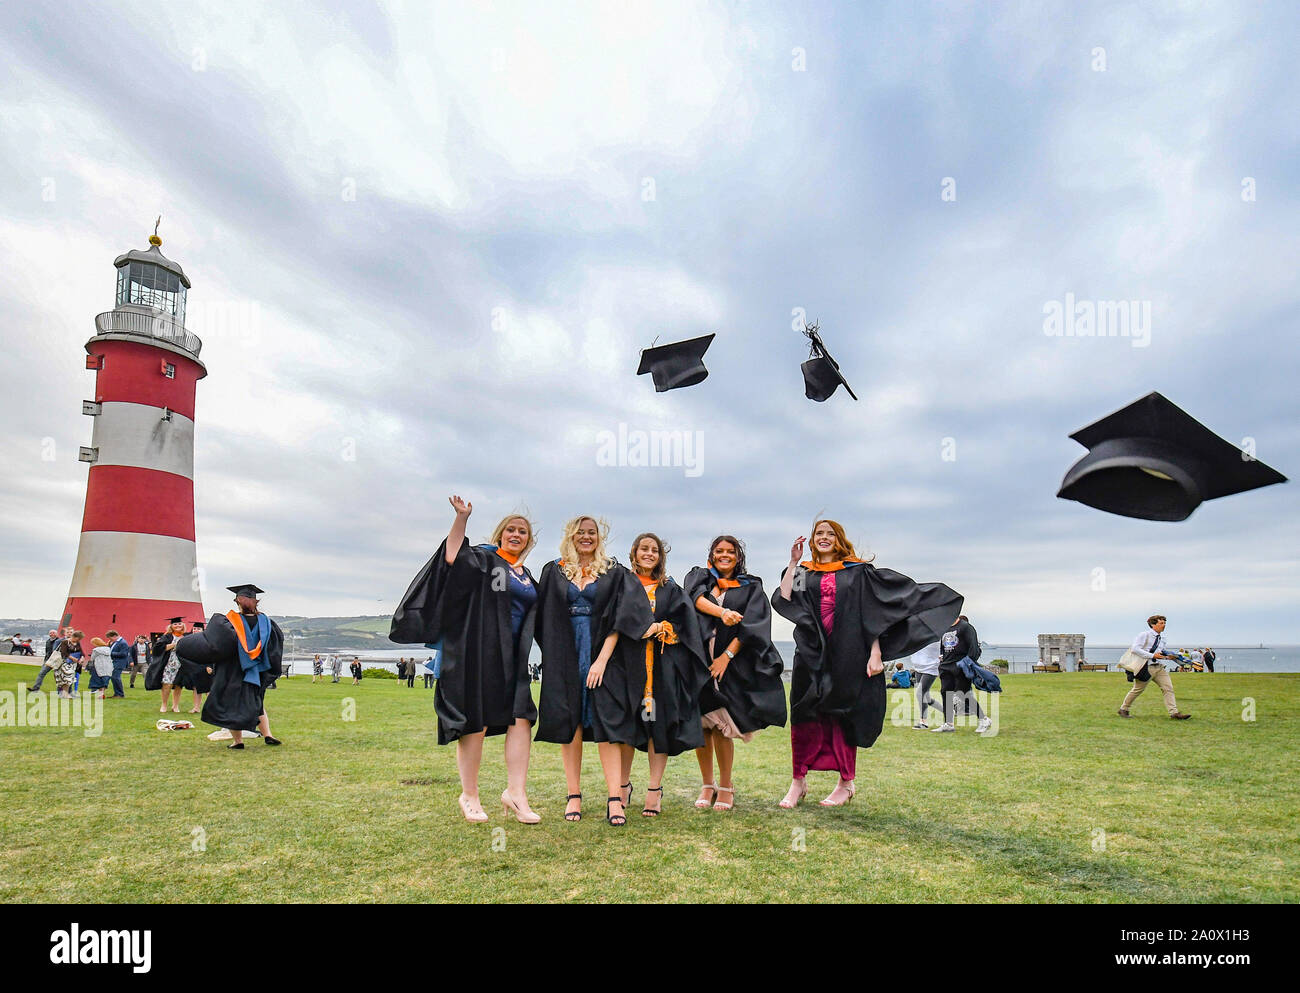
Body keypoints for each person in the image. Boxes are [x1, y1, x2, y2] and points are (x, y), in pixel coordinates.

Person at [774, 520, 961, 807]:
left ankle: (846, 783)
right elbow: (785, 597)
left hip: (849, 652)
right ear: (812, 540)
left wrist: (875, 652)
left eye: (830, 534)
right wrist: (793, 561)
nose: (824, 538)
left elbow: (872, 613)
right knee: (803, 713)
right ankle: (798, 781)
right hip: (811, 653)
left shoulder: (857, 572)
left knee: (844, 713)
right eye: (819, 534)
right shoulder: (804, 571)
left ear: (839, 539)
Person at [389, 496, 543, 823]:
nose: (516, 535)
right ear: (501, 534)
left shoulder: (527, 575)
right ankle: (469, 795)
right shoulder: (484, 560)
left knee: (521, 719)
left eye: (523, 532)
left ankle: (516, 793)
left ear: (529, 541)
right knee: (476, 720)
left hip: (514, 657)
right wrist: (462, 519)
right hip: (481, 651)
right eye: (511, 530)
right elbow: (452, 556)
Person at [534, 514, 651, 826]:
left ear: (599, 537)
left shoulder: (613, 572)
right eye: (580, 532)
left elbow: (623, 616)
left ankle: (615, 798)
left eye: (592, 533)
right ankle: (574, 794)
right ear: (570, 535)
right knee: (569, 723)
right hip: (564, 655)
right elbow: (541, 616)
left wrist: (601, 660)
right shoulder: (553, 570)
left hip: (604, 657)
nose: (586, 537)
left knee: (607, 724)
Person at [589, 533, 708, 819]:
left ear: (660, 557)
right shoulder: (623, 583)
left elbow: (687, 623)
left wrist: (666, 628)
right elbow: (614, 621)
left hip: (663, 668)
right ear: (634, 552)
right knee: (628, 724)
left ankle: (654, 790)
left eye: (654, 550)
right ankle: (622, 785)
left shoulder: (670, 589)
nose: (649, 553)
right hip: (627, 666)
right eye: (644, 548)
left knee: (658, 725)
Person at [684, 535, 787, 812]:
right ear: (712, 553)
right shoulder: (700, 578)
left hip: (730, 662)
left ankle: (726, 786)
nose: (724, 555)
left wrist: (725, 658)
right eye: (719, 551)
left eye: (730, 551)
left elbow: (752, 625)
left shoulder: (751, 586)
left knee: (721, 727)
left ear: (738, 556)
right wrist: (722, 612)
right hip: (698, 660)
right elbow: (694, 600)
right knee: (701, 726)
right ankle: (707, 784)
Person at [176, 584, 284, 747]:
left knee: (231, 705)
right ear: (256, 602)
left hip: (232, 670)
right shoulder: (267, 624)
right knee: (257, 701)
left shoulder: (228, 622)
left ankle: (237, 741)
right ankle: (267, 734)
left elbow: (216, 645)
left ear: (238, 602)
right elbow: (274, 649)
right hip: (255, 671)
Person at [1119, 615, 1191, 720]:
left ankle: (1174, 713)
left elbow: (1160, 653)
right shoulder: (1144, 635)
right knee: (1137, 690)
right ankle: (1123, 709)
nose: (1164, 625)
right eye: (1161, 623)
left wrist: (1169, 656)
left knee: (1168, 688)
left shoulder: (1162, 639)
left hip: (1158, 667)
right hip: (1145, 667)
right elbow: (1135, 649)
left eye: (1164, 623)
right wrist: (1152, 655)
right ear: (1153, 624)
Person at [931, 614, 991, 734]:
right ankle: (949, 723)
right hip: (946, 667)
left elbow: (973, 649)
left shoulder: (966, 627)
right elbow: (943, 647)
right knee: (945, 693)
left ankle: (984, 719)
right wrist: (942, 657)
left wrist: (968, 665)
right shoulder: (945, 628)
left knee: (962, 694)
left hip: (961, 666)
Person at [146, 618, 188, 713]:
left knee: (178, 685)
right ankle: (164, 704)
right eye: (175, 624)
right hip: (169, 664)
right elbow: (158, 648)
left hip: (181, 665)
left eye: (179, 624)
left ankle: (175, 706)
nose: (178, 626)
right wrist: (174, 644)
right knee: (167, 684)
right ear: (171, 626)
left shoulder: (185, 637)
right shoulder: (167, 637)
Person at [176, 620, 213, 713]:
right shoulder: (188, 639)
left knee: (208, 689)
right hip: (194, 667)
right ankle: (196, 708)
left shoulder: (208, 639)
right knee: (196, 687)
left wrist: (210, 666)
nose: (196, 630)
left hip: (205, 666)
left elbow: (212, 653)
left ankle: (212, 709)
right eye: (195, 628)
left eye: (198, 628)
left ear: (203, 630)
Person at [54, 631, 84, 697]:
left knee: (70, 679)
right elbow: (64, 652)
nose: (79, 640)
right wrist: (72, 658)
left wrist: (82, 657)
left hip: (73, 664)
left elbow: (81, 652)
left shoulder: (77, 643)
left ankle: (66, 694)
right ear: (75, 637)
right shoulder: (65, 642)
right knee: (65, 679)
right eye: (78, 638)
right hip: (65, 663)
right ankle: (64, 694)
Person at [106, 629, 130, 698]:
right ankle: (117, 693)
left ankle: (120, 694)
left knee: (115, 677)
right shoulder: (116, 642)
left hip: (119, 662)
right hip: (115, 662)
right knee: (114, 678)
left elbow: (123, 654)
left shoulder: (123, 643)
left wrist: (110, 653)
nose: (110, 640)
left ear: (114, 636)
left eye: (110, 638)